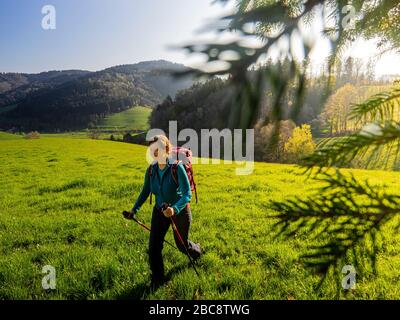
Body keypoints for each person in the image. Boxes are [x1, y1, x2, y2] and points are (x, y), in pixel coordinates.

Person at [125, 134, 202, 288]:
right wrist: (134, 210)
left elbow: (187, 194)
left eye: (157, 148)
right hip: (159, 211)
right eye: (152, 148)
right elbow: (145, 191)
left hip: (180, 211)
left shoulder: (177, 167)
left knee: (182, 245)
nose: (154, 151)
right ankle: (158, 279)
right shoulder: (151, 170)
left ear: (166, 149)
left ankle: (197, 252)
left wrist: (174, 209)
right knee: (154, 246)